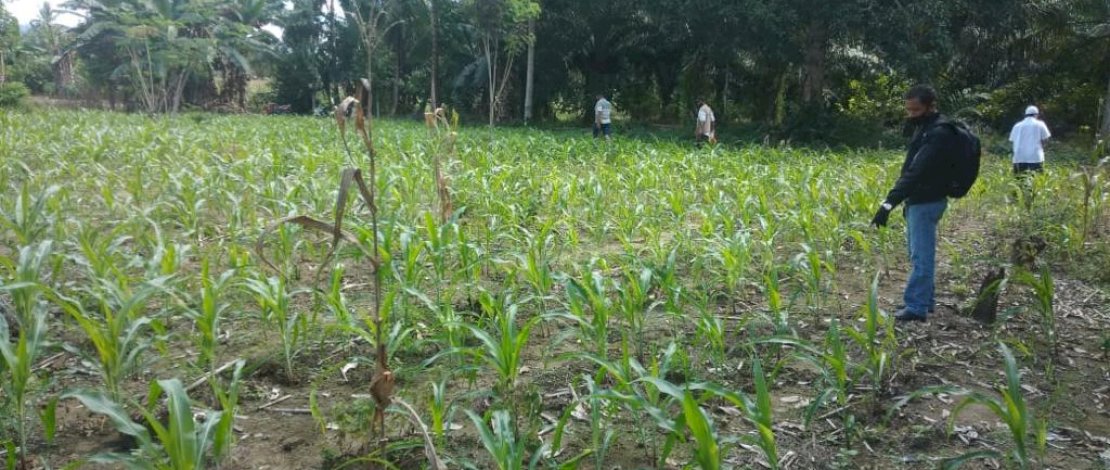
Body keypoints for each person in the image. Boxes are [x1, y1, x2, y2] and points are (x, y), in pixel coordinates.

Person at [871, 84, 960, 323]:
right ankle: (925, 301)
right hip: (921, 199)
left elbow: (915, 172)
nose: (911, 115)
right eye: (908, 110)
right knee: (919, 253)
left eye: (916, 110)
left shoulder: (938, 134)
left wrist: (888, 205)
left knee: (921, 256)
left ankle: (916, 307)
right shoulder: (927, 128)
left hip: (926, 201)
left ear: (931, 106)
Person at [1009, 105, 1051, 175]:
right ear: (1036, 115)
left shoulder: (1017, 125)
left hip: (1019, 157)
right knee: (1036, 180)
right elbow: (1045, 139)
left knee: (1020, 182)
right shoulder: (1040, 124)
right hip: (1035, 157)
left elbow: (1013, 140)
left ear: (1026, 115)